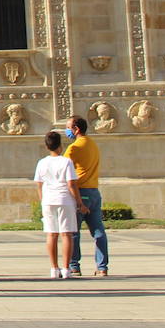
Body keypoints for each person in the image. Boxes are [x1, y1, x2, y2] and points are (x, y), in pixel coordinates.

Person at [64, 115, 108, 278]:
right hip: (94, 191)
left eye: (68, 127)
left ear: (76, 129)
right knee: (98, 231)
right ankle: (102, 267)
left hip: (80, 192)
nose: (67, 131)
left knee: (74, 231)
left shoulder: (74, 148)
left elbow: (65, 171)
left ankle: (74, 266)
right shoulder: (93, 144)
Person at [36, 130, 80, 279]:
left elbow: (39, 185)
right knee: (66, 234)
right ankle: (66, 268)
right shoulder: (66, 161)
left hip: (48, 200)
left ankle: (54, 268)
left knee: (51, 234)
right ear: (60, 146)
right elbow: (71, 184)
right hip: (64, 199)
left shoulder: (42, 163)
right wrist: (79, 202)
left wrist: (43, 201)